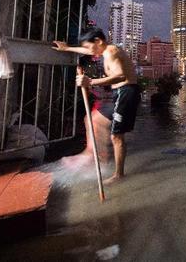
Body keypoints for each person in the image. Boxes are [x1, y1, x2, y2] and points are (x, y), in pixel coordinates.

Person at [53, 28, 140, 184]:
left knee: (117, 135)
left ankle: (119, 175)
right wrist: (67, 48)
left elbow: (120, 75)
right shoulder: (104, 50)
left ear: (98, 41)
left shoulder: (111, 52)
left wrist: (90, 81)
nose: (88, 52)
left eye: (89, 47)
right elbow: (87, 50)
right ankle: (96, 156)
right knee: (92, 119)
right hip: (118, 94)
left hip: (126, 94)